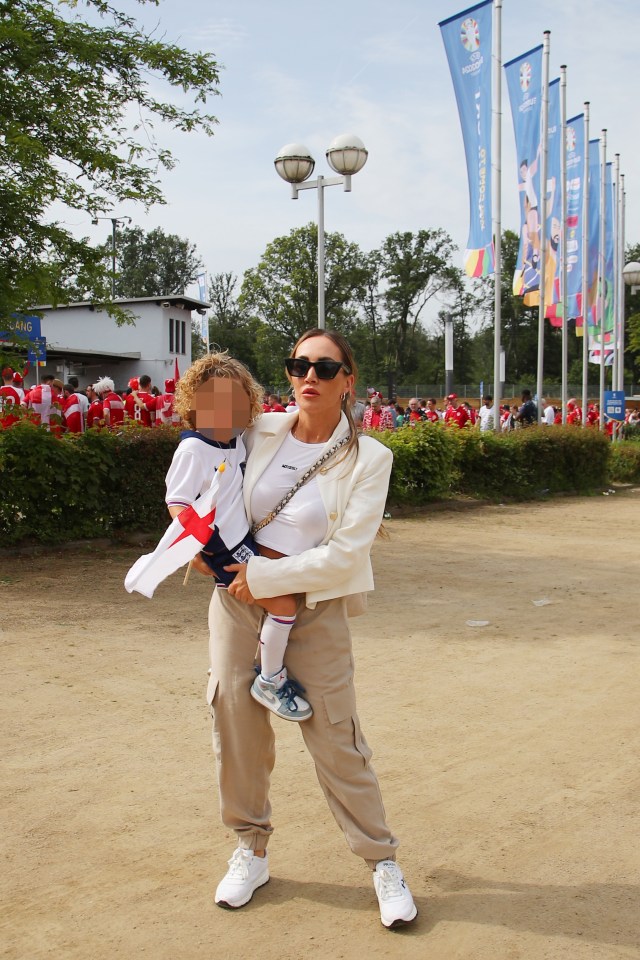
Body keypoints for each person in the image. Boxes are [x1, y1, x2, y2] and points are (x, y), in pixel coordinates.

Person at [203, 329, 417, 929]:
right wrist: (200, 546)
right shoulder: (260, 429)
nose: (310, 378)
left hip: (312, 606)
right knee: (236, 720)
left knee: (335, 733)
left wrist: (267, 578)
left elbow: (348, 555)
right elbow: (207, 480)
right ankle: (250, 847)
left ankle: (381, 860)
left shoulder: (369, 458)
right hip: (236, 599)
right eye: (299, 365)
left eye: (325, 368)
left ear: (349, 379)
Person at [170, 353, 311, 722]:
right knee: (282, 603)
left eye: (234, 400)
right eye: (213, 399)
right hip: (220, 544)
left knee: (281, 595)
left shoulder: (237, 442)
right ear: (195, 403)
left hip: (240, 538)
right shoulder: (192, 448)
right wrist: (194, 546)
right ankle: (270, 679)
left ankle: (244, 666)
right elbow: (177, 502)